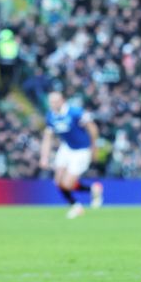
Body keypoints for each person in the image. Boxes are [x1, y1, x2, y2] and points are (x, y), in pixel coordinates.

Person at [39, 91, 103, 219]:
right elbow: (48, 138)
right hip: (67, 148)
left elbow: (92, 128)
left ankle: (92, 189)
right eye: (50, 102)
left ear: (62, 100)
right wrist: (44, 157)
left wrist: (94, 147)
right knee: (57, 181)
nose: (52, 104)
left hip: (82, 150)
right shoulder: (50, 116)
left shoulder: (75, 112)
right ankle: (76, 206)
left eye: (55, 101)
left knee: (67, 184)